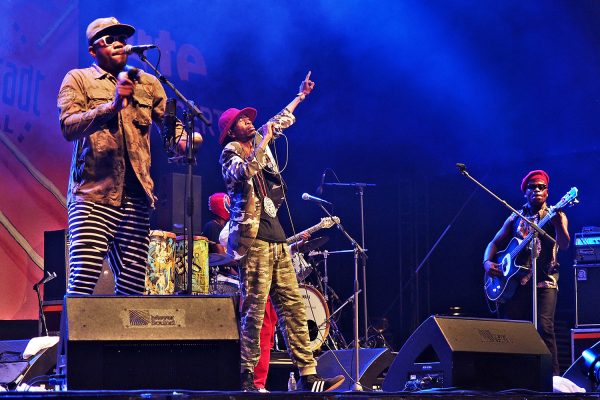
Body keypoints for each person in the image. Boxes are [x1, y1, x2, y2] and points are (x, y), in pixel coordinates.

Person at [219, 72, 344, 392]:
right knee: (255, 312)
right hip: (254, 240)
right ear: (232, 130)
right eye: (243, 120)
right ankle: (247, 378)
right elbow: (241, 174)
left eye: (250, 119)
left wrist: (300, 95)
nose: (250, 121)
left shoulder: (259, 139)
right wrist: (262, 141)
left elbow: (281, 118)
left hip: (276, 239)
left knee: (293, 306)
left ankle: (307, 376)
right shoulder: (231, 152)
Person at [57, 17, 186, 295]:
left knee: (133, 284)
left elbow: (170, 128)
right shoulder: (78, 79)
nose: (118, 43)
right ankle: (75, 339)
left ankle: (124, 340)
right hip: (94, 193)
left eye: (121, 38)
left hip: (137, 196)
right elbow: (69, 127)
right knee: (84, 277)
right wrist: (113, 105)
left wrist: (184, 140)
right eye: (109, 39)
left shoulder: (147, 83)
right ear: (93, 50)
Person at [483, 170, 570, 376]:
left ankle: (553, 379)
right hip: (516, 284)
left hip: (545, 283)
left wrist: (557, 224)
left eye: (542, 187)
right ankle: (514, 378)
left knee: (544, 328)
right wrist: (487, 262)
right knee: (513, 330)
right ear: (525, 192)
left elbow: (565, 245)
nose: (537, 190)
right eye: (532, 186)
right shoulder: (515, 216)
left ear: (547, 193)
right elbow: (495, 243)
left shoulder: (556, 215)